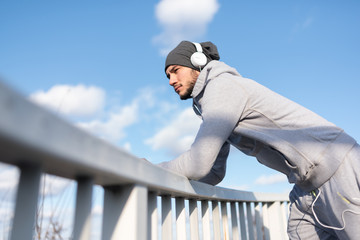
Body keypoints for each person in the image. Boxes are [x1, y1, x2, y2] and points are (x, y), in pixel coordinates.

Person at [157, 40, 360, 239]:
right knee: (299, 231)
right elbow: (213, 172)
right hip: (306, 184)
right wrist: (169, 184)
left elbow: (198, 163)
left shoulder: (222, 88)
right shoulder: (213, 103)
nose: (171, 80)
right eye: (167, 75)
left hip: (337, 169)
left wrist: (151, 170)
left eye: (175, 70)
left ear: (198, 62)